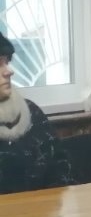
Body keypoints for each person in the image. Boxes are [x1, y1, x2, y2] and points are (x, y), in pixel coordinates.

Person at [0, 30, 73, 193]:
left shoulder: (31, 112)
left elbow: (60, 168)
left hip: (41, 207)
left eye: (7, 61)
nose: (9, 71)